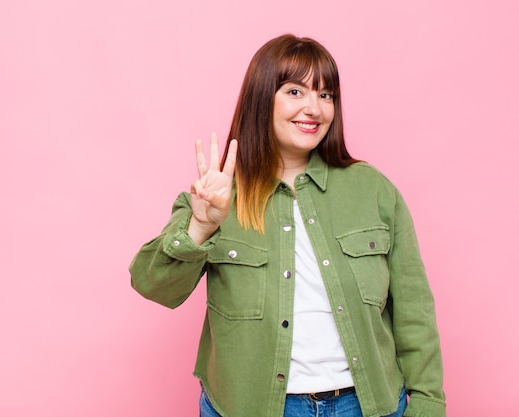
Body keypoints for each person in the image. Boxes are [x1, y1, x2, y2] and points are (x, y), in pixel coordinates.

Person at [129, 34, 445, 417]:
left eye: (326, 95)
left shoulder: (374, 191)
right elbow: (152, 285)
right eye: (296, 92)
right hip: (248, 407)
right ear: (262, 98)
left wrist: (428, 403)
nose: (314, 108)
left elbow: (415, 310)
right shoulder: (215, 196)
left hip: (365, 405)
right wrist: (199, 228)